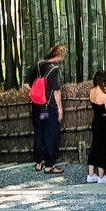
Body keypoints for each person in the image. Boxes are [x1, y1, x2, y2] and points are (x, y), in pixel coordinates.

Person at [26, 43, 66, 173]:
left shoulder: (37, 65)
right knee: (51, 134)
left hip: (36, 106)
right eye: (62, 56)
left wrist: (36, 93)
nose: (62, 59)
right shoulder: (54, 69)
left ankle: (39, 162)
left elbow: (25, 84)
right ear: (57, 54)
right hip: (49, 108)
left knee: (39, 133)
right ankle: (49, 166)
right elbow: (56, 92)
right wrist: (60, 109)